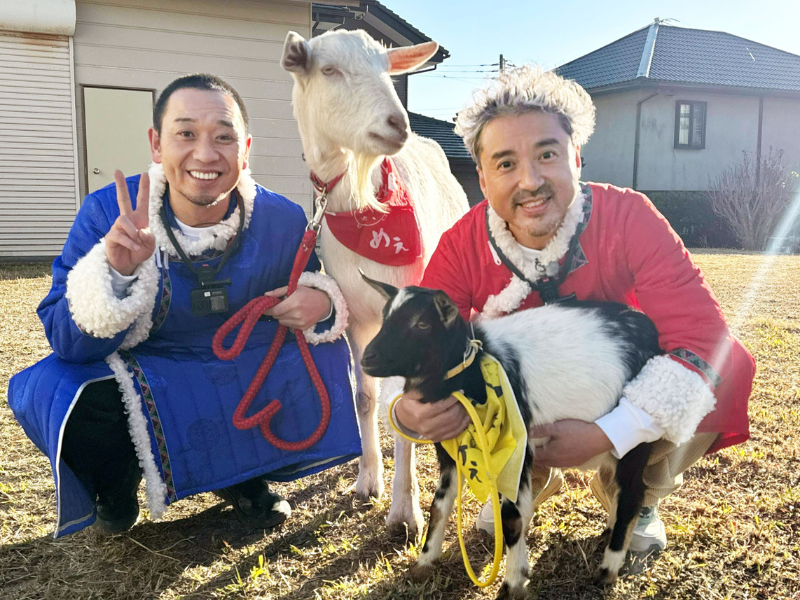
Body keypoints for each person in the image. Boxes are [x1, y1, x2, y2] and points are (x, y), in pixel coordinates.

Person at [391, 66, 754, 553]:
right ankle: (522, 476)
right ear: (480, 176)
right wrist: (410, 409)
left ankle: (634, 486)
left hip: (612, 386)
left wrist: (609, 432)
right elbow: (419, 349)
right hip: (522, 395)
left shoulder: (631, 216)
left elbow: (704, 338)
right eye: (504, 163)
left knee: (729, 365)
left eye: (547, 154)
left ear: (576, 157)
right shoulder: (461, 244)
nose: (530, 181)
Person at [8, 74, 360, 538]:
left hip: (236, 368)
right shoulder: (105, 213)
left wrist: (319, 299)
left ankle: (244, 477)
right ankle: (114, 486)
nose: (206, 154)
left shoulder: (281, 218)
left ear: (246, 149)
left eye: (224, 136)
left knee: (323, 349)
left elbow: (316, 281)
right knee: (60, 387)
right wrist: (116, 274)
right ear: (157, 144)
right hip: (145, 368)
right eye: (186, 133)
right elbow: (64, 337)